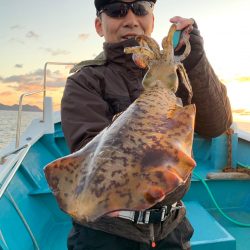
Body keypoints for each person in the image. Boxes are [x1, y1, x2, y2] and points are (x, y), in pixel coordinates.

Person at [61, 0, 232, 249]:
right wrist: (155, 100)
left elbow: (216, 125)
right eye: (117, 10)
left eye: (140, 9)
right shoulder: (85, 80)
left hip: (171, 229)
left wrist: (195, 59)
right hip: (105, 234)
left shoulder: (181, 72)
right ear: (99, 25)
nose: (131, 20)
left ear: (152, 20)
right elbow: (92, 158)